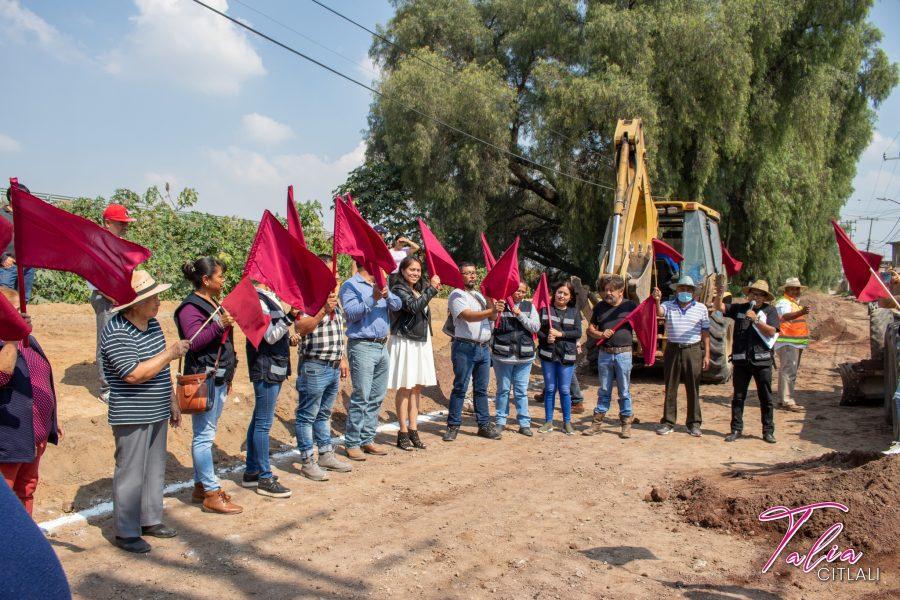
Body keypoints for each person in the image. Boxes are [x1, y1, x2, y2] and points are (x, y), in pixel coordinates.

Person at [101, 270, 189, 553]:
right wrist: (170, 354)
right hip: (132, 412)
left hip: (157, 408)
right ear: (136, 304)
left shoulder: (151, 325)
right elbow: (134, 375)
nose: (158, 302)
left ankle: (150, 519)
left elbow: (160, 372)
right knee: (130, 472)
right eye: (152, 298)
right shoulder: (115, 331)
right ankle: (126, 531)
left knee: (154, 468)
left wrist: (172, 401)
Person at [174, 257, 241, 515]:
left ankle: (200, 486)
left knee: (205, 432)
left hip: (219, 377)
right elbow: (193, 340)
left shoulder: (214, 303)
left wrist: (230, 375)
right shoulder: (189, 308)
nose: (223, 281)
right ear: (206, 280)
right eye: (220, 277)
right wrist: (219, 325)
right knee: (204, 436)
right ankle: (212, 492)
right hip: (204, 378)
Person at [0, 287, 60, 516]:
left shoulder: (29, 340)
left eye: (23, 311)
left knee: (26, 490)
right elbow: (2, 375)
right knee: (5, 500)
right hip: (9, 440)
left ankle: (24, 541)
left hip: (35, 436)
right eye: (15, 312)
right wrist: (13, 339)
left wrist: (52, 419)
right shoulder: (9, 342)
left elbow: (43, 377)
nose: (23, 316)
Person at [295, 255, 352, 478]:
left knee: (324, 413)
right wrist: (321, 310)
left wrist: (343, 358)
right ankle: (308, 460)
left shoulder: (335, 301)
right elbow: (301, 327)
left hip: (332, 366)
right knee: (307, 415)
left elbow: (340, 334)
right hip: (314, 366)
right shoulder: (306, 299)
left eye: (337, 274)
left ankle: (326, 454)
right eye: (331, 273)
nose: (336, 277)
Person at [241, 283, 298, 498]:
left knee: (259, 419)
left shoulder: (268, 296)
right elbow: (269, 336)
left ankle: (252, 471)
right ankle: (264, 476)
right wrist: (290, 317)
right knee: (264, 424)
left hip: (274, 365)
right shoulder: (256, 299)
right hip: (265, 367)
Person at [339, 262, 401, 460]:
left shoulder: (382, 284)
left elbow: (398, 305)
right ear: (368, 263)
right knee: (362, 395)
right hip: (362, 345)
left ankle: (367, 439)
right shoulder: (350, 285)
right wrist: (373, 298)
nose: (383, 268)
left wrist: (386, 294)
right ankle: (353, 442)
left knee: (377, 395)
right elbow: (351, 313)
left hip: (382, 345)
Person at [443, 262, 502, 442]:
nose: (472, 276)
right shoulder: (456, 294)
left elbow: (492, 317)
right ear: (460, 275)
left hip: (484, 347)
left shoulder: (479, 295)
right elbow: (468, 316)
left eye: (474, 273)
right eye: (467, 273)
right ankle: (453, 426)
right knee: (460, 387)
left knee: (481, 390)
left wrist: (494, 305)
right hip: (465, 347)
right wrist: (491, 310)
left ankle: (483, 425)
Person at [715, 279, 780, 444]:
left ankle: (768, 431)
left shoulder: (770, 311)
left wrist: (756, 320)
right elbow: (719, 307)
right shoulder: (739, 308)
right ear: (748, 294)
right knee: (738, 397)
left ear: (765, 297)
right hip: (741, 361)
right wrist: (719, 293)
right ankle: (736, 429)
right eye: (753, 293)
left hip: (762, 362)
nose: (755, 296)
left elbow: (772, 331)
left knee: (765, 398)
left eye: (759, 294)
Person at [388, 256, 441, 450]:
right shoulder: (399, 289)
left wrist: (429, 287)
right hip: (405, 341)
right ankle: (402, 432)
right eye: (411, 269)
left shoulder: (419, 289)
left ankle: (413, 429)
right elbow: (413, 307)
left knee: (417, 388)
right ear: (402, 271)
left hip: (421, 341)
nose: (415, 273)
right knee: (405, 386)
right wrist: (432, 289)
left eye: (418, 270)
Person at [89, 203, 137, 404]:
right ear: (108, 223)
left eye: (126, 223)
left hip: (119, 298)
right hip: (104, 298)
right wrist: (111, 296)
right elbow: (92, 276)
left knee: (121, 338)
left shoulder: (118, 243)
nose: (124, 227)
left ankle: (119, 381)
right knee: (106, 340)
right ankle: (106, 388)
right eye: (120, 223)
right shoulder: (97, 244)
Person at [653, 276, 710, 437]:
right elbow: (659, 312)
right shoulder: (668, 305)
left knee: (693, 387)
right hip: (673, 349)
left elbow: (705, 333)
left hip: (693, 350)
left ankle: (694, 423)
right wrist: (657, 300)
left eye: (688, 289)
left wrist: (707, 354)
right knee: (670, 386)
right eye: (682, 289)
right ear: (676, 290)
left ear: (693, 292)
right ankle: (668, 422)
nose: (685, 292)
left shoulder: (701, 308)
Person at [583, 275, 637, 438]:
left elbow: (644, 322)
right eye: (605, 290)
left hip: (624, 354)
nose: (607, 293)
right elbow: (589, 330)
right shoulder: (599, 307)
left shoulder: (630, 306)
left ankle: (626, 423)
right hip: (604, 355)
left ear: (621, 291)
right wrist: (600, 333)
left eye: (611, 290)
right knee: (604, 389)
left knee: (624, 390)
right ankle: (597, 424)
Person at [491, 281, 539, 436]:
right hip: (502, 357)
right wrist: (495, 310)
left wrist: (520, 315)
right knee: (503, 390)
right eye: (517, 290)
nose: (519, 293)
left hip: (524, 358)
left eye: (523, 291)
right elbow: (491, 326)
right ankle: (500, 421)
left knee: (521, 391)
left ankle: (524, 423)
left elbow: (535, 327)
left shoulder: (529, 307)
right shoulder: (499, 304)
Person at [537, 281, 583, 434]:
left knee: (564, 390)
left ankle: (567, 422)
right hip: (548, 355)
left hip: (566, 356)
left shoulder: (575, 312)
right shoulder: (545, 310)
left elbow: (578, 333)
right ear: (554, 293)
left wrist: (561, 334)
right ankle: (548, 422)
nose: (561, 295)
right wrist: (546, 338)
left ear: (570, 297)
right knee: (550, 389)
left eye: (565, 293)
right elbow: (538, 330)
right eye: (559, 292)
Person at [774, 277, 809, 413]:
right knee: (789, 371)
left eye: (797, 289)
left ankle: (783, 399)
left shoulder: (793, 303)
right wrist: (801, 312)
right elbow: (784, 317)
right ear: (787, 290)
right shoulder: (783, 302)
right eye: (793, 288)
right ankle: (787, 400)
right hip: (787, 342)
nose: (796, 291)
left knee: (788, 371)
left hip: (794, 343)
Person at [1, 185, 35, 302]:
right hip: (8, 265)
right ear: (11, 196)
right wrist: (3, 257)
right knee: (6, 299)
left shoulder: (27, 216)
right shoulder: (1, 215)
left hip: (27, 265)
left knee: (23, 299)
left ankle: (20, 321)